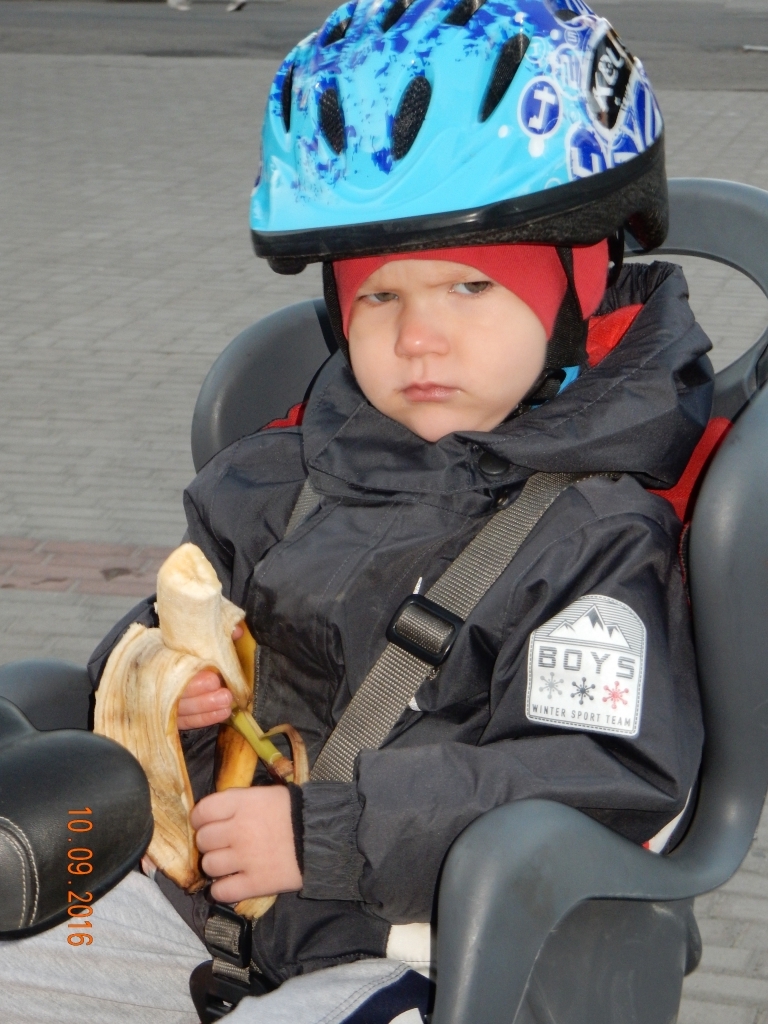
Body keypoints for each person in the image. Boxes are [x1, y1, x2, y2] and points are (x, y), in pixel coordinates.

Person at [0, 0, 711, 1020]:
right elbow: (154, 629)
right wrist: (165, 692)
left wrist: (322, 833)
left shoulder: (595, 539)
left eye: (470, 288)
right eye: (380, 297)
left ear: (577, 289)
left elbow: (600, 771)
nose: (419, 337)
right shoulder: (275, 477)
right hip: (198, 912)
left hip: (420, 947)